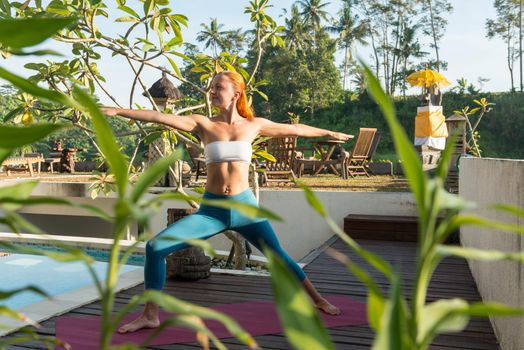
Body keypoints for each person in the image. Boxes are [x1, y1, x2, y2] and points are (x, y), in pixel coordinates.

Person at [101, 71, 351, 334]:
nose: (212, 91)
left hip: (245, 208)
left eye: (218, 87)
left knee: (278, 257)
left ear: (236, 92)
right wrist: (119, 112)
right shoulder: (203, 124)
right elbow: (160, 116)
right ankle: (150, 315)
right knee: (155, 247)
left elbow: (297, 129)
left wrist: (330, 131)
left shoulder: (254, 125)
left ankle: (319, 300)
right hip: (212, 211)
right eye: (211, 87)